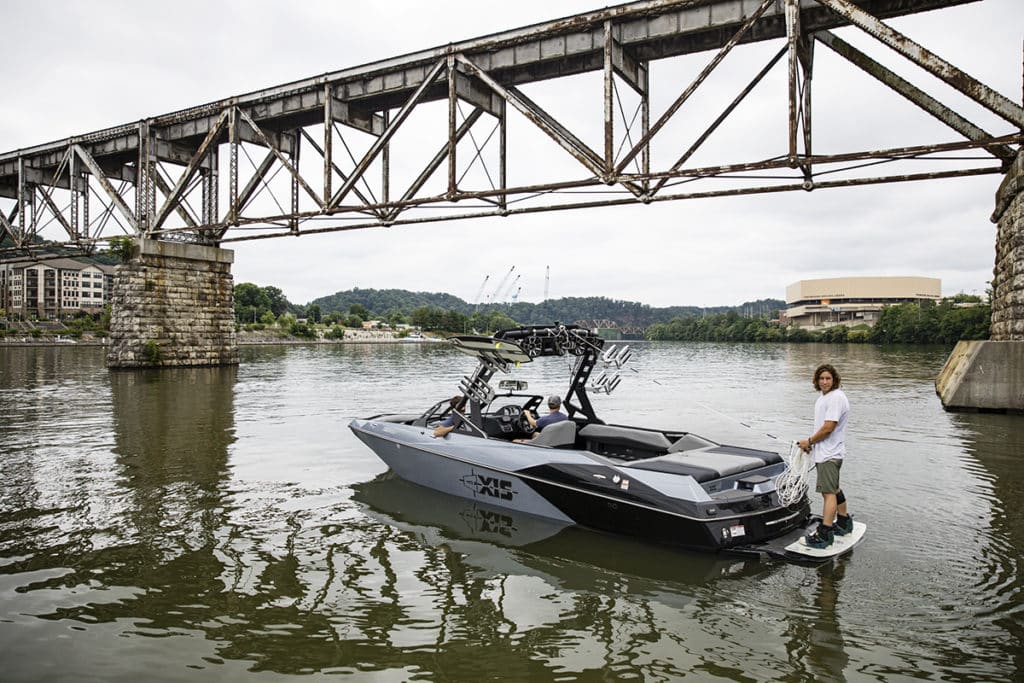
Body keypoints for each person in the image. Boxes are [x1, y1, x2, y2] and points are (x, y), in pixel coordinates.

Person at [797, 363, 852, 549]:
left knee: (827, 493)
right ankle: (844, 523)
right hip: (828, 452)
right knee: (834, 489)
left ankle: (825, 534)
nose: (825, 382)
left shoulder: (835, 398)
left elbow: (829, 427)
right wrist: (813, 445)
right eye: (821, 378)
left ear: (834, 380)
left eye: (828, 378)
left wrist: (809, 441)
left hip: (829, 454)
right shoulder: (825, 397)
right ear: (816, 380)